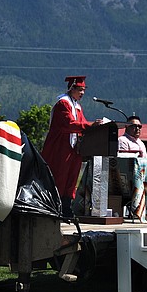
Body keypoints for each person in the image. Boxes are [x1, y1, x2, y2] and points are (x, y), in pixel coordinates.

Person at [41, 75, 106, 214]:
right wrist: (90, 126)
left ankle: (66, 208)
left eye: (84, 90)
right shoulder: (63, 103)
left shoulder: (76, 106)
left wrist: (94, 127)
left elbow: (82, 123)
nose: (82, 93)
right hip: (61, 145)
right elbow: (69, 124)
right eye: (80, 90)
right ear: (72, 88)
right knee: (60, 175)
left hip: (74, 146)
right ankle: (55, 207)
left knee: (72, 177)